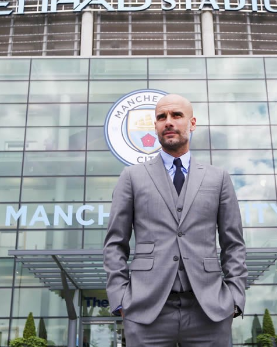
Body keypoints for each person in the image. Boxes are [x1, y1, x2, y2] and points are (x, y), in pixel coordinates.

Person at [103, 94, 247, 346]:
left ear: (192, 123)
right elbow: (115, 242)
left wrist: (234, 297)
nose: (168, 122)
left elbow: (233, 243)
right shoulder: (132, 177)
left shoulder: (218, 178)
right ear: (155, 126)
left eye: (176, 115)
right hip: (146, 309)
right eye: (161, 117)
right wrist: (119, 297)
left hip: (210, 309)